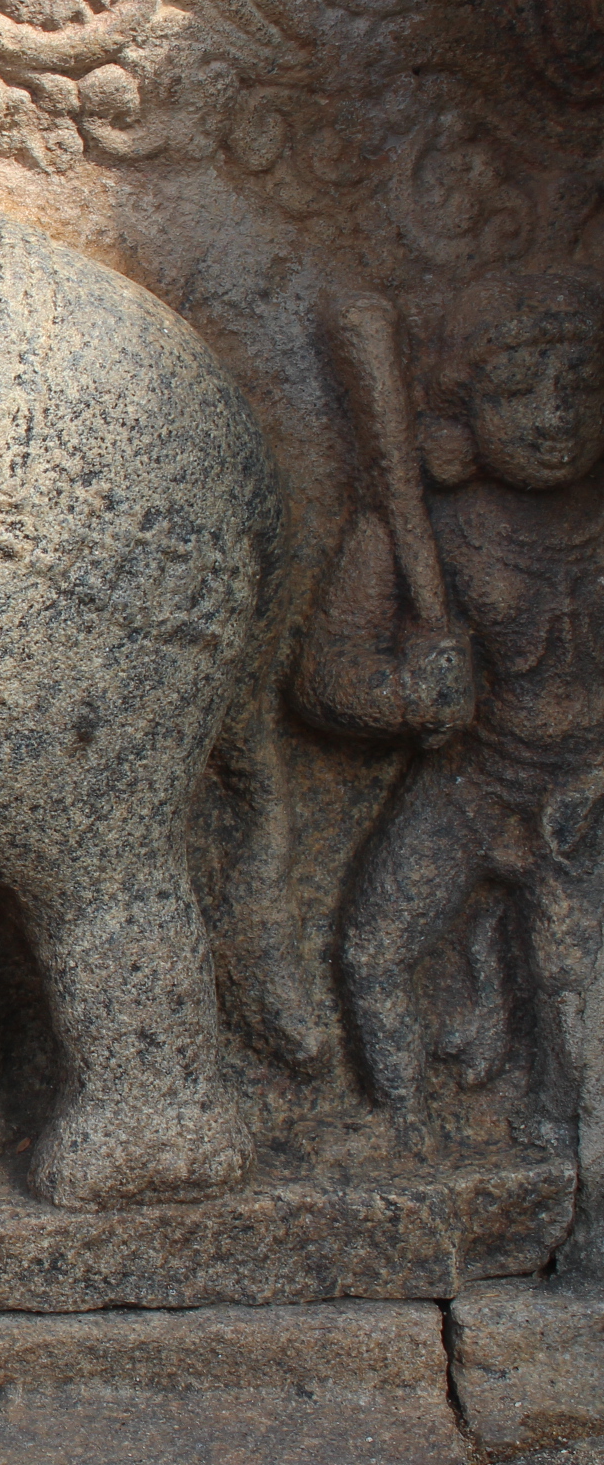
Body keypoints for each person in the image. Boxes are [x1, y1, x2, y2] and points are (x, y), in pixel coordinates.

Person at [302, 266, 604, 1286]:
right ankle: (404, 1128)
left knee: (577, 981)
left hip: (590, 792)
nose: (555, 418)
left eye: (580, 386)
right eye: (519, 394)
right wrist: (411, 693)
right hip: (476, 781)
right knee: (376, 944)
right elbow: (329, 676)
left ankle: (568, 1140)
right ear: (459, 413)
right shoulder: (416, 525)